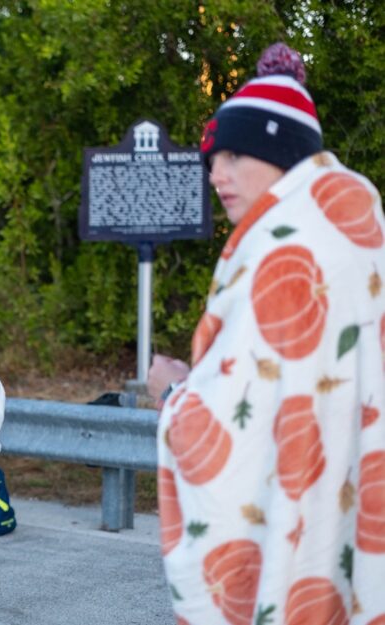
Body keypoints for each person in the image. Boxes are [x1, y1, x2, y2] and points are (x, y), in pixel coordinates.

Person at [148, 42, 385, 625]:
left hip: (297, 516)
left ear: (281, 153)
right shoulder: (357, 225)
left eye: (233, 155)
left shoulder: (284, 248)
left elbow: (236, 424)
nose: (215, 173)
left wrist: (173, 394)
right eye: (212, 157)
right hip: (355, 497)